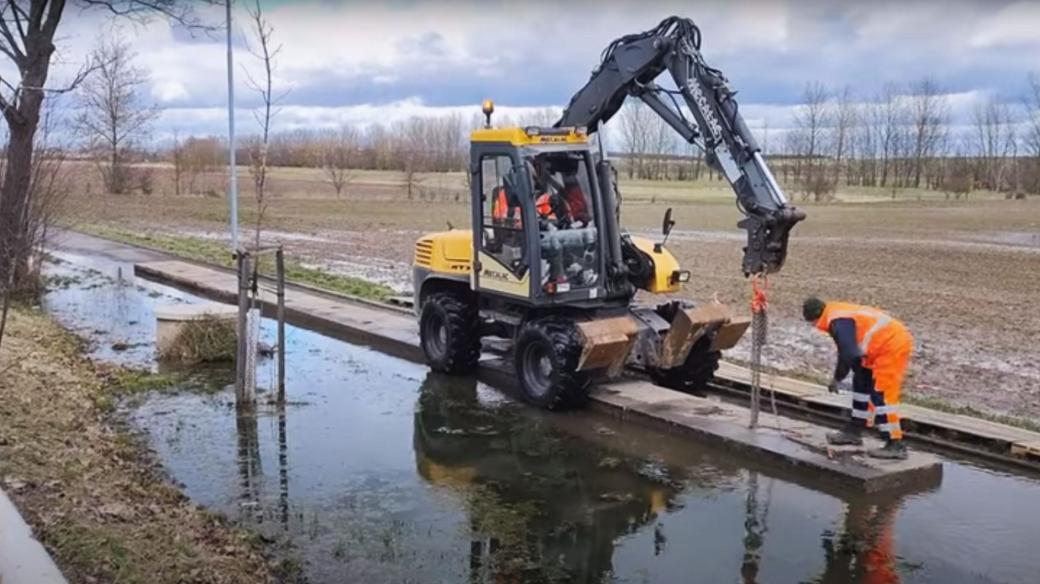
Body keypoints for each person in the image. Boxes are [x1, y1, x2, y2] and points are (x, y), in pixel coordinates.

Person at [802, 297, 913, 460]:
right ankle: (854, 431)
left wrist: (837, 378)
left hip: (891, 347)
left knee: (881, 394)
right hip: (874, 349)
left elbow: (847, 352)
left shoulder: (837, 321)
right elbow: (851, 351)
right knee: (861, 384)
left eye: (812, 323)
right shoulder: (835, 313)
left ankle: (895, 444)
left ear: (815, 318)